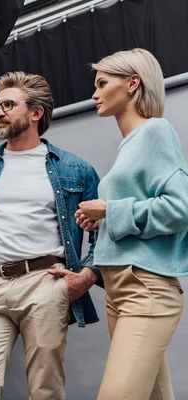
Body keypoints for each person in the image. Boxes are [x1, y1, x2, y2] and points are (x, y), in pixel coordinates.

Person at [0, 71, 102, 400]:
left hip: (45, 283)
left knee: (46, 391)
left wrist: (87, 276)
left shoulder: (75, 169)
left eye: (8, 105)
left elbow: (104, 233)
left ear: (36, 113)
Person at [77, 48, 188, 400]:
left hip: (146, 288)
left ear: (132, 83)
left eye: (102, 83)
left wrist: (110, 211)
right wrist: (102, 221)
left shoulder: (155, 132)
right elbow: (137, 210)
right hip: (119, 291)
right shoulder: (130, 145)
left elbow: (180, 208)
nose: (94, 93)